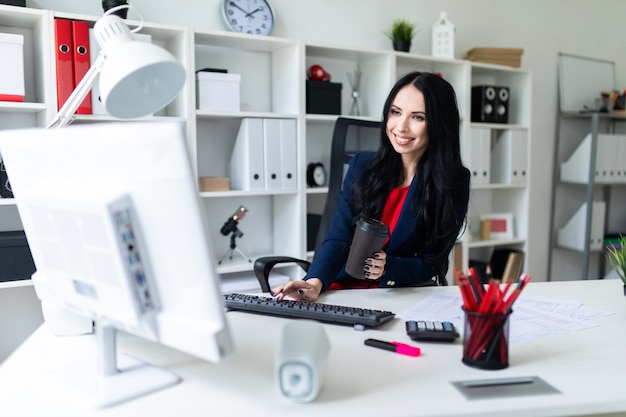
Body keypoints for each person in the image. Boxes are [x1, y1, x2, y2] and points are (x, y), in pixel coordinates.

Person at [274, 71, 470, 302]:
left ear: (439, 124)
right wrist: (314, 282)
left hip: (396, 294)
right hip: (341, 290)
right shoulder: (362, 167)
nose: (401, 126)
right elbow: (338, 237)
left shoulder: (452, 181)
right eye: (395, 112)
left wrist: (389, 267)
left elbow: (433, 261)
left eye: (418, 117)